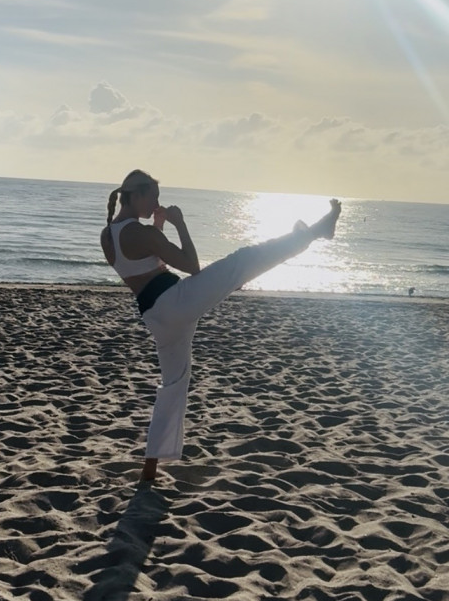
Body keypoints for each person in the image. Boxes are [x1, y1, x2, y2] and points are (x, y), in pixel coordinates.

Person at [100, 168, 341, 483]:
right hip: (176, 302)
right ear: (138, 195)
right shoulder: (141, 233)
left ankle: (150, 467)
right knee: (243, 261)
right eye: (154, 197)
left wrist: (158, 227)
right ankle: (312, 234)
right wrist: (179, 224)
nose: (157, 203)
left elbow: (143, 265)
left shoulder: (109, 234)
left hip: (157, 317)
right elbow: (191, 265)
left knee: (173, 386)